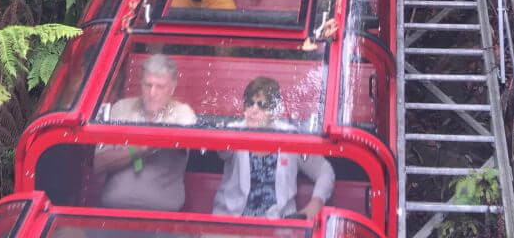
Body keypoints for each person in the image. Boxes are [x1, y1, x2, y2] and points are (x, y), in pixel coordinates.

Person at [212, 78, 335, 219]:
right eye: (249, 104)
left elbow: (325, 171)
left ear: (275, 110)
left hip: (278, 225)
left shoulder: (290, 137)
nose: (253, 110)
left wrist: (316, 203)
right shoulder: (233, 131)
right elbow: (223, 151)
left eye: (262, 105)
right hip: (230, 222)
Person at [94, 54, 197, 211]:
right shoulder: (122, 108)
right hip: (113, 212)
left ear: (172, 87)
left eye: (160, 86)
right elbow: (98, 163)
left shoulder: (182, 113)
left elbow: (183, 143)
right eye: (148, 85)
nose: (152, 93)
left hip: (161, 218)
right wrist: (139, 149)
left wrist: (133, 147)